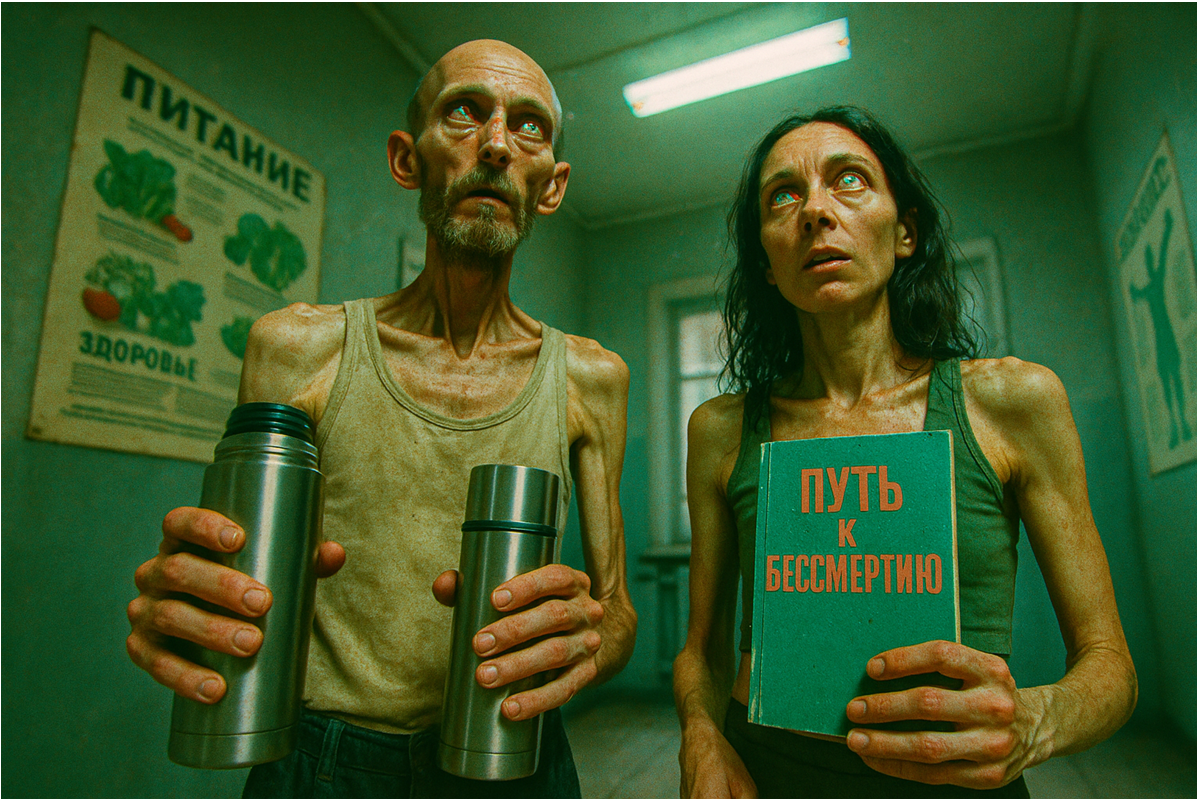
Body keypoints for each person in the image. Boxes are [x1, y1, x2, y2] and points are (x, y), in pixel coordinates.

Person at [126, 39, 637, 798]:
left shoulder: (591, 377)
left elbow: (616, 607)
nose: (497, 144)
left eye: (528, 126)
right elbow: (236, 572)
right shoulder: (297, 347)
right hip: (323, 762)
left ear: (552, 186)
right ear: (407, 159)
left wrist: (589, 642)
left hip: (510, 747)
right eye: (463, 113)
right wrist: (191, 600)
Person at [673, 105, 1136, 799]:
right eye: (783, 196)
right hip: (765, 769)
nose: (816, 212)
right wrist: (701, 734)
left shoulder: (1012, 402)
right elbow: (702, 652)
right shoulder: (721, 429)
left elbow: (1110, 666)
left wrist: (1034, 720)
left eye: (849, 180)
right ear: (766, 262)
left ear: (905, 233)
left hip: (953, 778)